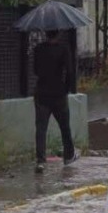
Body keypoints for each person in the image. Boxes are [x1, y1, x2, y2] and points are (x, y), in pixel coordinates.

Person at [33, 29, 79, 173]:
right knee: (65, 127)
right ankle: (69, 156)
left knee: (41, 129)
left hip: (42, 94)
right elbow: (70, 71)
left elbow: (35, 70)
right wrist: (67, 89)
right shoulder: (63, 49)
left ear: (46, 34)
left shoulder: (38, 49)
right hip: (59, 94)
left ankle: (40, 161)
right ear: (58, 34)